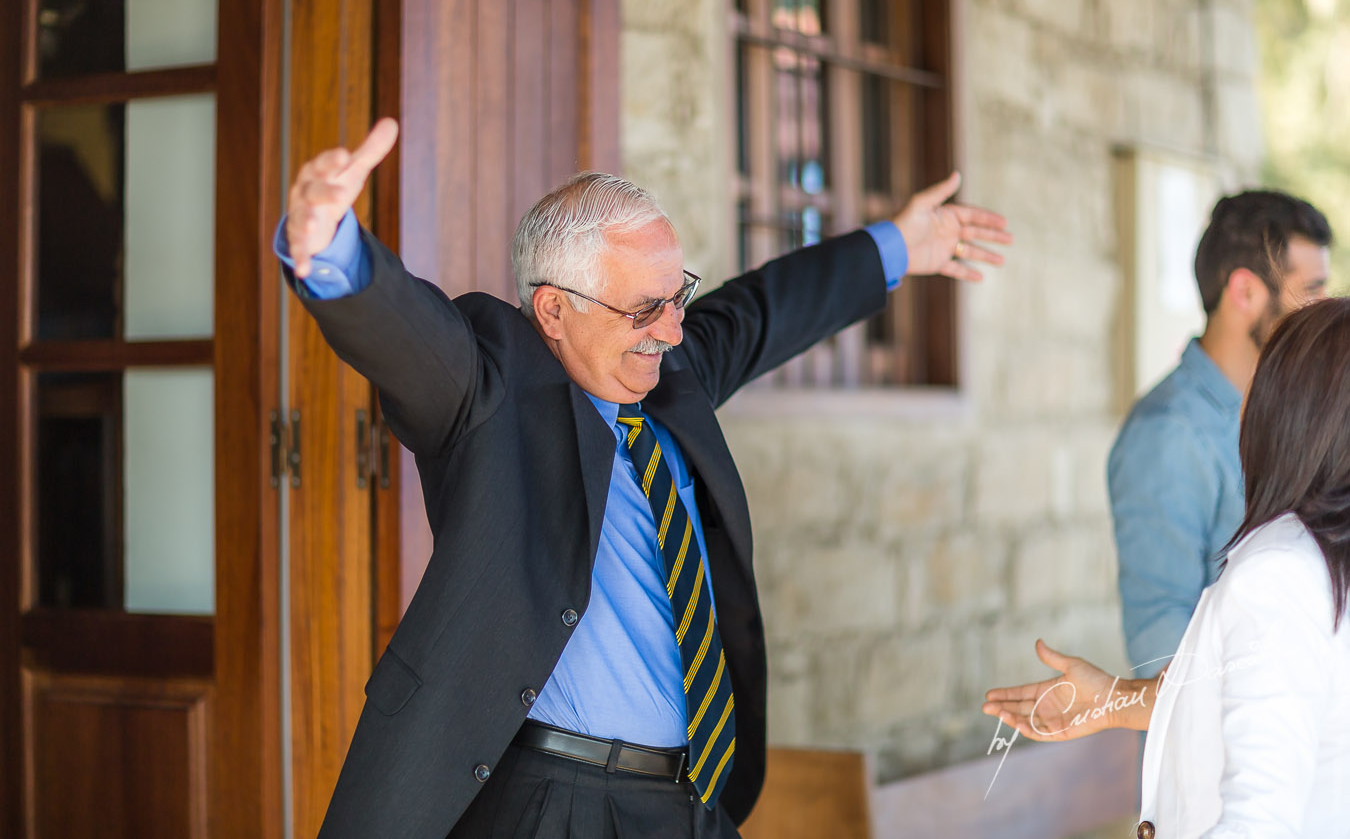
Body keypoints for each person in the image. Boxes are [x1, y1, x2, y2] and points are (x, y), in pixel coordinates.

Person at [279, 118, 1011, 838]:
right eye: (643, 309)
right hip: (554, 804)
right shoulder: (487, 391)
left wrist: (897, 246)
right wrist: (332, 250)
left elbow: (763, 313)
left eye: (676, 297)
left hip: (692, 801)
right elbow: (411, 336)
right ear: (553, 310)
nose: (670, 329)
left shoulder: (669, 377)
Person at [985, 297, 1350, 838]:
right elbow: (1270, 694)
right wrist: (1117, 700)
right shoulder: (1318, 561)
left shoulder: (1279, 576)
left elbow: (1257, 821)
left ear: (1289, 414)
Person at [1109, 191, 1331, 678]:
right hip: (1223, 747)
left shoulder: (1293, 412)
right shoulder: (1168, 432)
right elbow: (1161, 645)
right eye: (1311, 291)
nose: (1323, 312)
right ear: (1246, 292)